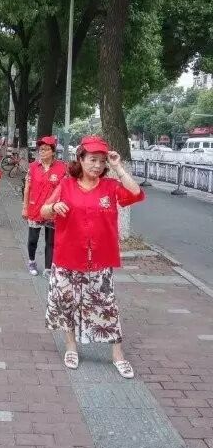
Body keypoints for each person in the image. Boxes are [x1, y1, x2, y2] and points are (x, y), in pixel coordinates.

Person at [41, 135, 145, 379]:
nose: (97, 165)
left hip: (99, 260)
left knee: (106, 305)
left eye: (102, 161)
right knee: (67, 303)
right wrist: (54, 208)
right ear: (81, 159)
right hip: (67, 257)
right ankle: (71, 347)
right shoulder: (66, 185)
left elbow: (136, 193)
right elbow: (44, 211)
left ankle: (118, 355)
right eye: (92, 160)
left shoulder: (110, 186)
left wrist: (118, 167)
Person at [22, 136, 68, 278]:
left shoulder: (62, 168)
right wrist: (24, 207)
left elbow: (65, 189)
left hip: (52, 211)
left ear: (53, 151)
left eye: (46, 149)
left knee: (51, 241)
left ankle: (48, 268)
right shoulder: (33, 167)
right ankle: (31, 261)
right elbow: (27, 188)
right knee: (32, 239)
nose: (42, 152)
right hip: (35, 208)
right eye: (41, 149)